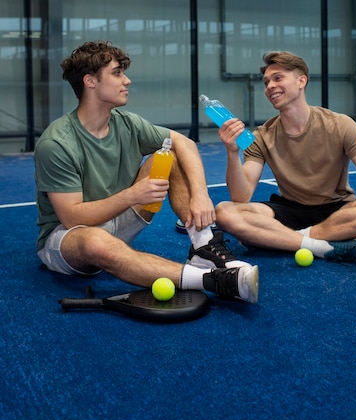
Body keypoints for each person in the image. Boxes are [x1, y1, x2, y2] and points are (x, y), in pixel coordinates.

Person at [34, 41, 258, 304]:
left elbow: (184, 143)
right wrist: (132, 195)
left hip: (117, 219)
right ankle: (215, 280)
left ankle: (203, 246)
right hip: (70, 238)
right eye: (117, 73)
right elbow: (73, 218)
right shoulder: (57, 143)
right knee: (95, 241)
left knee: (170, 156)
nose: (126, 81)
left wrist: (200, 195)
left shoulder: (127, 123)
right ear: (90, 81)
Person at [214, 50, 356, 264]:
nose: (270, 87)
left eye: (278, 78)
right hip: (289, 209)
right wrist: (232, 152)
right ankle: (322, 246)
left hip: (338, 209)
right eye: (266, 82)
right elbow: (241, 197)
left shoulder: (340, 125)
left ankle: (279, 238)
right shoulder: (261, 136)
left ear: (301, 81)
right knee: (224, 212)